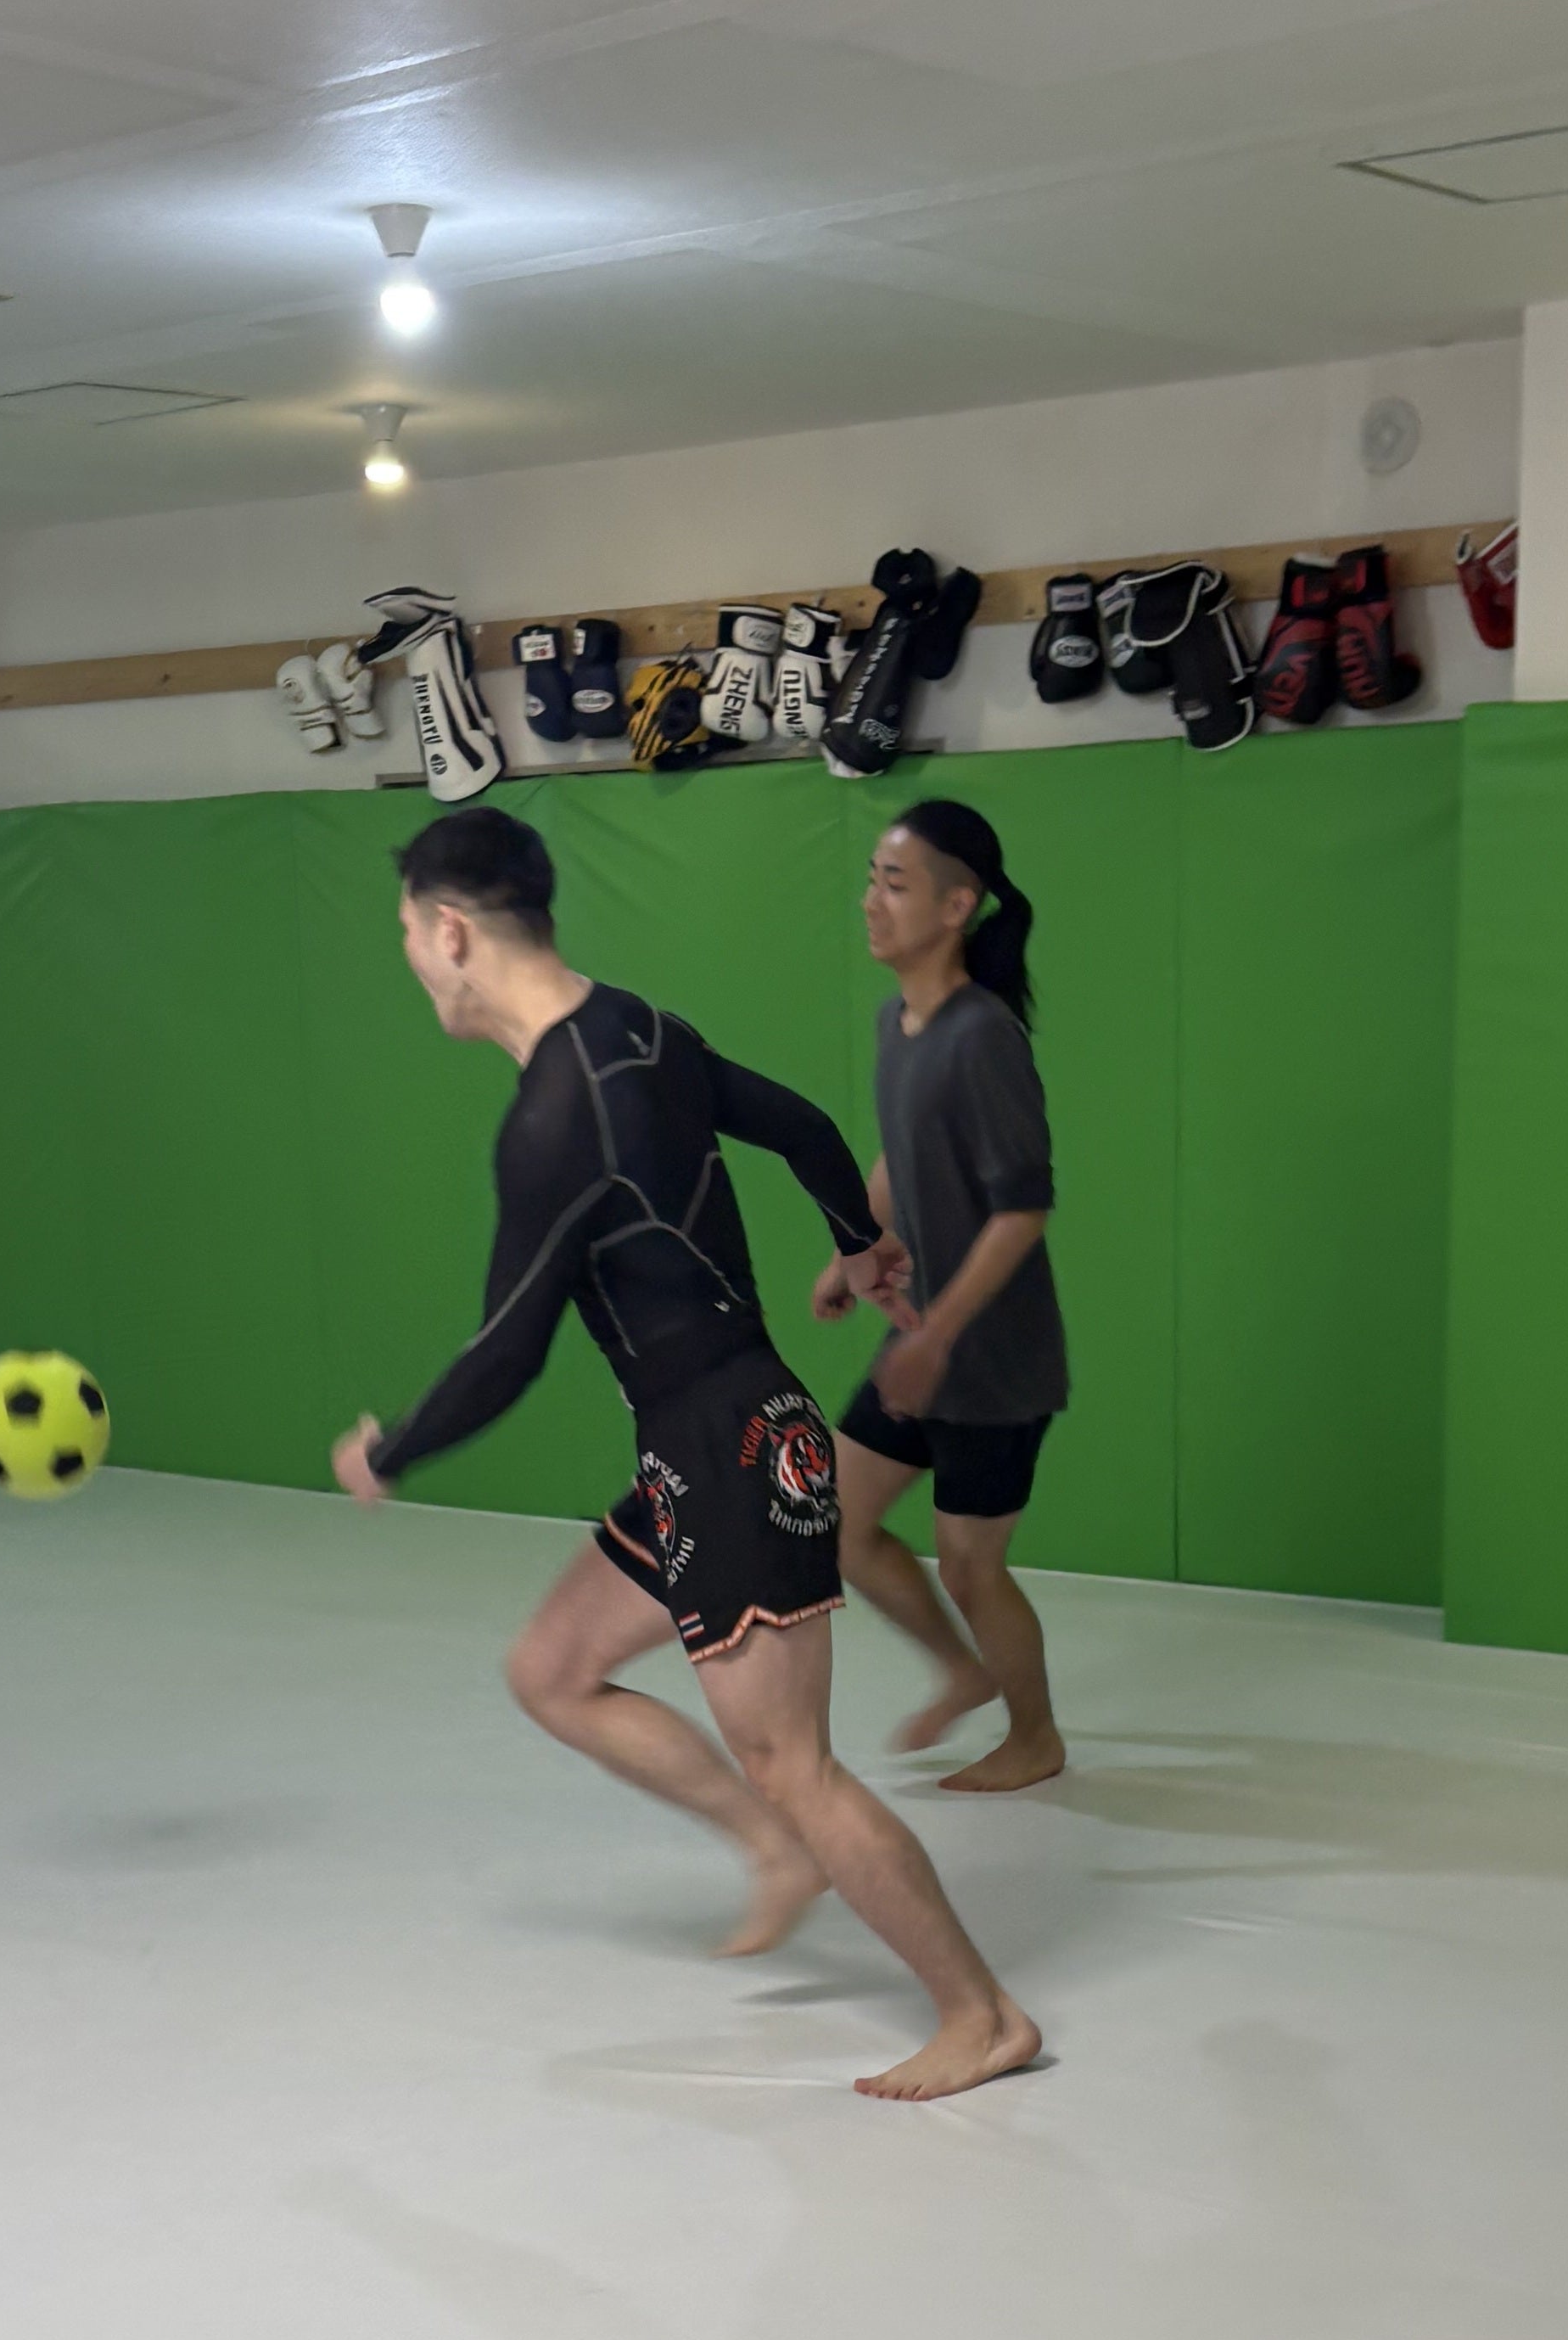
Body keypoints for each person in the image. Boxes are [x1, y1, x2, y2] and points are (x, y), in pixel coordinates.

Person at [332, 807, 1041, 2103]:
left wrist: (393, 1450)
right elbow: (806, 1126)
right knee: (553, 1669)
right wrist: (860, 1242)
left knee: (797, 1763)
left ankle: (981, 2015)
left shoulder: (554, 1120)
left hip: (730, 1451)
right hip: (707, 1446)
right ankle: (775, 1849)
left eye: (407, 936)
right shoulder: (638, 1029)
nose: (412, 959)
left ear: (451, 933)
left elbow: (509, 1349)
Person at [810, 800, 1069, 1789]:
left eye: (896, 884)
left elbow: (1023, 1210)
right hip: (923, 1344)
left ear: (958, 906)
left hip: (993, 1361)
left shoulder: (984, 1037)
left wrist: (937, 1338)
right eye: (871, 880)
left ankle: (1035, 1738)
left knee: (970, 1564)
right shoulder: (900, 1022)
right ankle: (964, 1672)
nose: (871, 902)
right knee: (838, 1519)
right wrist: (852, 1249)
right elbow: (901, 1149)